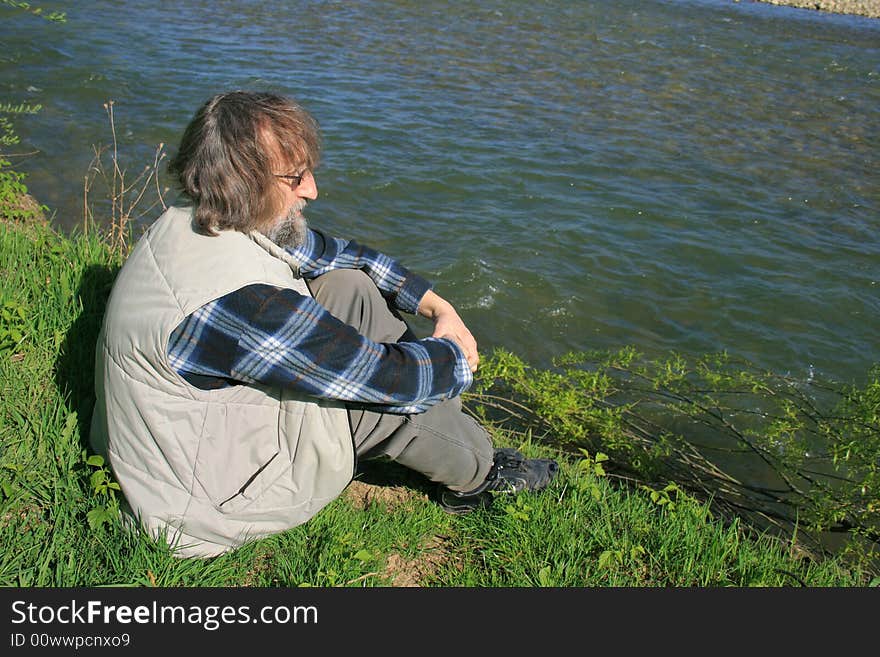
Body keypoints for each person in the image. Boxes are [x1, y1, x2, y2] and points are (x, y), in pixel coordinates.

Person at [89, 90, 558, 558]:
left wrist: (437, 306)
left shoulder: (199, 219)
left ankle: (454, 433)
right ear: (244, 182)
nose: (311, 190)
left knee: (345, 286)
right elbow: (392, 380)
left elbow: (338, 255)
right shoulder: (244, 307)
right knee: (377, 400)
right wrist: (456, 356)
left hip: (176, 449)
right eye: (295, 178)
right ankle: (480, 476)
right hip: (200, 506)